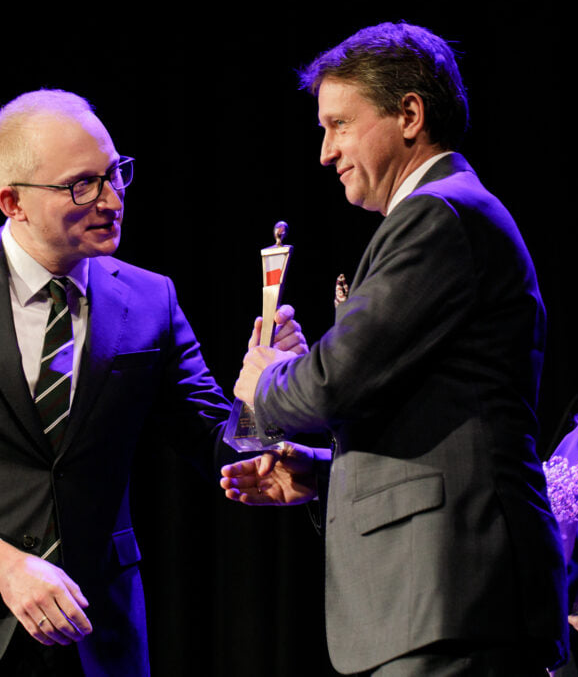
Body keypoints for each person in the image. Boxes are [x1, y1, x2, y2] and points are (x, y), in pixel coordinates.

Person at [0, 89, 306, 677]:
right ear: (13, 202)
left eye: (115, 174)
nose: (111, 199)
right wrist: (0, 563)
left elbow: (216, 441)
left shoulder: (150, 298)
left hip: (94, 640)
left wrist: (269, 392)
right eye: (82, 185)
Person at [221, 22, 568, 676]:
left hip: (453, 598)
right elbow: (432, 418)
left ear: (409, 114)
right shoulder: (440, 215)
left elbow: (333, 382)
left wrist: (266, 380)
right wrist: (324, 474)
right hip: (434, 601)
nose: (325, 152)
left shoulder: (439, 215)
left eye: (339, 125)